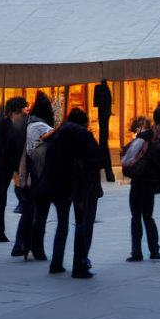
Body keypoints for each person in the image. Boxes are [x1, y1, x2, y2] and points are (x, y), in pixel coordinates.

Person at [40, 107, 103, 278]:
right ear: (84, 122)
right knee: (83, 224)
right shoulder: (83, 135)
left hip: (57, 185)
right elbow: (99, 159)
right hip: (79, 185)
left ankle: (56, 262)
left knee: (62, 223)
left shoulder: (57, 133)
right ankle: (80, 264)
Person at [13, 91, 57, 260]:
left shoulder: (27, 125)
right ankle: (36, 249)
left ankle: (21, 246)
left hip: (25, 178)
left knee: (28, 213)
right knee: (40, 216)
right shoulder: (41, 128)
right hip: (39, 178)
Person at [124, 120, 160, 261]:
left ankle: (137, 252)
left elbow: (126, 163)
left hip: (137, 185)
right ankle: (154, 251)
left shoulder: (138, 145)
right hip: (147, 187)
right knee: (148, 218)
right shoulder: (154, 148)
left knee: (136, 218)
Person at [0, 99, 27, 243]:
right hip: (2, 165)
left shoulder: (2, 124)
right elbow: (10, 146)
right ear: (14, 111)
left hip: (1, 165)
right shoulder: (6, 126)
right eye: (22, 110)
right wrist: (18, 167)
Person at [93, 79, 116, 182]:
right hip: (104, 115)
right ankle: (108, 173)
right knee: (103, 142)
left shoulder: (101, 89)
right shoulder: (104, 90)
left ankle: (107, 172)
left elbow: (98, 103)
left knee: (103, 143)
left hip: (104, 115)